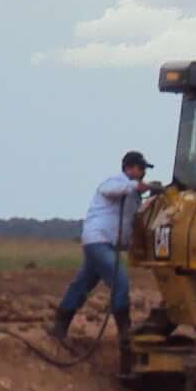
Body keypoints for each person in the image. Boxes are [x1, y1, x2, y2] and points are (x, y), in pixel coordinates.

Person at [50, 149, 149, 351]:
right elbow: (111, 189)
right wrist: (135, 185)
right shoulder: (115, 181)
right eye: (141, 169)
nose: (143, 173)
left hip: (107, 243)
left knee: (82, 284)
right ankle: (124, 333)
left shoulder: (133, 195)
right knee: (119, 280)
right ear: (129, 168)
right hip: (98, 240)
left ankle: (60, 326)